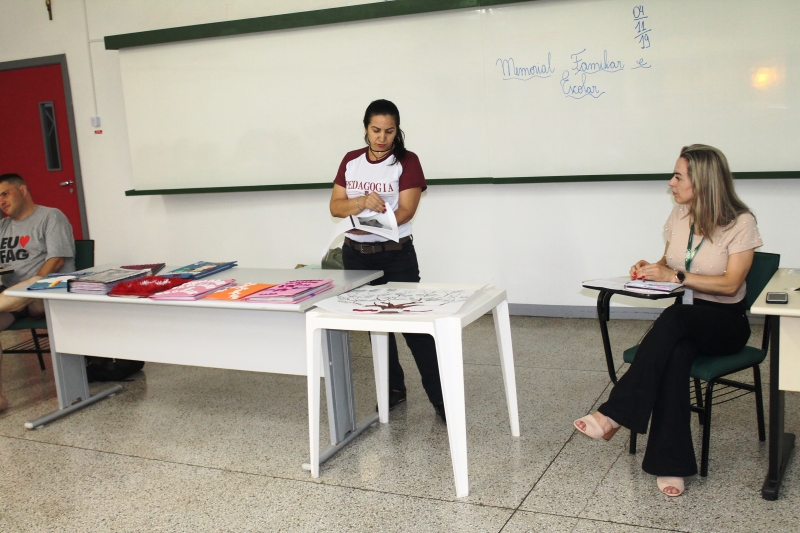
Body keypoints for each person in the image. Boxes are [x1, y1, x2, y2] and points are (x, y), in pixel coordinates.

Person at [573, 145, 763, 497]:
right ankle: (671, 464)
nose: (671, 183)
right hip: (685, 319)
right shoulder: (680, 214)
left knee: (675, 318)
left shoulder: (741, 222)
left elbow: (731, 284)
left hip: (725, 323)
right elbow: (672, 261)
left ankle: (615, 413)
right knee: (675, 356)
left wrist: (675, 277)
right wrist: (651, 268)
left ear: (702, 182)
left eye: (678, 176)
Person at [329, 99, 446, 422]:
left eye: (389, 131)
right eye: (376, 130)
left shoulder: (407, 161)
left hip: (396, 256)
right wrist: (361, 202)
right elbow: (336, 207)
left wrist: (369, 219)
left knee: (415, 329)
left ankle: (441, 397)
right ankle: (393, 389)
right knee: (375, 327)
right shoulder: (351, 160)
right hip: (356, 256)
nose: (382, 138)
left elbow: (406, 211)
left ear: (397, 131)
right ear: (366, 129)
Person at [0, 173, 75, 411]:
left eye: (5, 194)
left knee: (27, 289)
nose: (1, 201)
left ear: (22, 190)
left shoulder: (50, 216)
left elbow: (56, 261)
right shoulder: (3, 226)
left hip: (45, 290)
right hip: (10, 295)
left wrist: (32, 284)